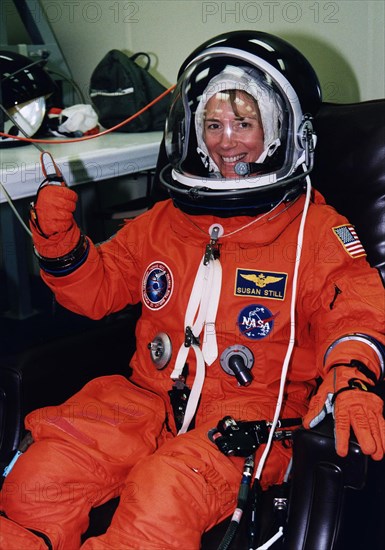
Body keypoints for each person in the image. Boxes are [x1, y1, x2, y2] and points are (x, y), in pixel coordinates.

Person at [1, 30, 384, 550]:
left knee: (163, 496)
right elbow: (98, 290)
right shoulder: (167, 221)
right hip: (147, 400)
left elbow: (355, 307)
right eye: (213, 123)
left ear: (279, 133)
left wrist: (352, 380)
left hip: (252, 419)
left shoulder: (313, 232)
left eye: (244, 123)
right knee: (37, 480)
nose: (226, 141)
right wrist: (61, 247)